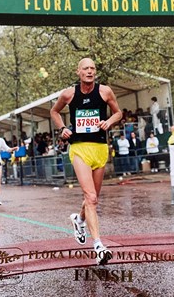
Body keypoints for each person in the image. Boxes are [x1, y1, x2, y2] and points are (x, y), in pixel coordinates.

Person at [50, 58, 122, 265]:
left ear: (95, 72)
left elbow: (118, 113)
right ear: (78, 72)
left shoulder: (105, 91)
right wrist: (63, 128)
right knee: (90, 197)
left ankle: (79, 220)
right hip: (79, 148)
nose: (89, 71)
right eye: (85, 68)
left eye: (92, 68)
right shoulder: (69, 94)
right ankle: (99, 246)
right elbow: (54, 111)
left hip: (100, 148)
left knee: (93, 198)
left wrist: (108, 121)